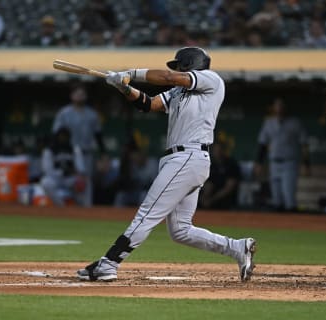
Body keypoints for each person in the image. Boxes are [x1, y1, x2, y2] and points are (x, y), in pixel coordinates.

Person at [77, 47, 256, 282]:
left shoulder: (211, 80)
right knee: (181, 231)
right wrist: (124, 87)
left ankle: (108, 264)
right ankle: (237, 247)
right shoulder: (178, 92)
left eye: (180, 65)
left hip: (188, 157)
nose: (177, 70)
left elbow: (169, 77)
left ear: (191, 63)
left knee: (147, 213)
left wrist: (131, 73)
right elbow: (149, 104)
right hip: (181, 160)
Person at [255, 98, 310, 212]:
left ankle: (293, 226)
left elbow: (304, 144)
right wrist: (259, 163)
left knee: (289, 198)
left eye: (281, 105)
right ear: (273, 107)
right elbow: (263, 144)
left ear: (285, 108)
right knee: (276, 200)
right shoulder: (269, 122)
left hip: (289, 163)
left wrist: (306, 164)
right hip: (274, 163)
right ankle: (278, 227)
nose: (279, 108)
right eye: (277, 105)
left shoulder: (295, 122)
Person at [40, 127, 88, 206]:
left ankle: (83, 206)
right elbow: (47, 170)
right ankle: (61, 206)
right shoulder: (49, 150)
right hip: (56, 179)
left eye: (65, 136)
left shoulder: (74, 149)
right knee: (45, 182)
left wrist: (80, 175)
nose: (63, 138)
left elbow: (80, 166)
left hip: (70, 179)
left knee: (85, 181)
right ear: (57, 136)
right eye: (61, 136)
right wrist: (63, 172)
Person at [199, 142, 241, 210]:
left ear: (224, 151)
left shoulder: (232, 164)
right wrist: (204, 197)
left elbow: (229, 188)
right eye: (215, 151)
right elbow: (208, 184)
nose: (217, 153)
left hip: (226, 201)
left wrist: (212, 200)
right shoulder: (211, 164)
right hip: (210, 200)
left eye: (219, 150)